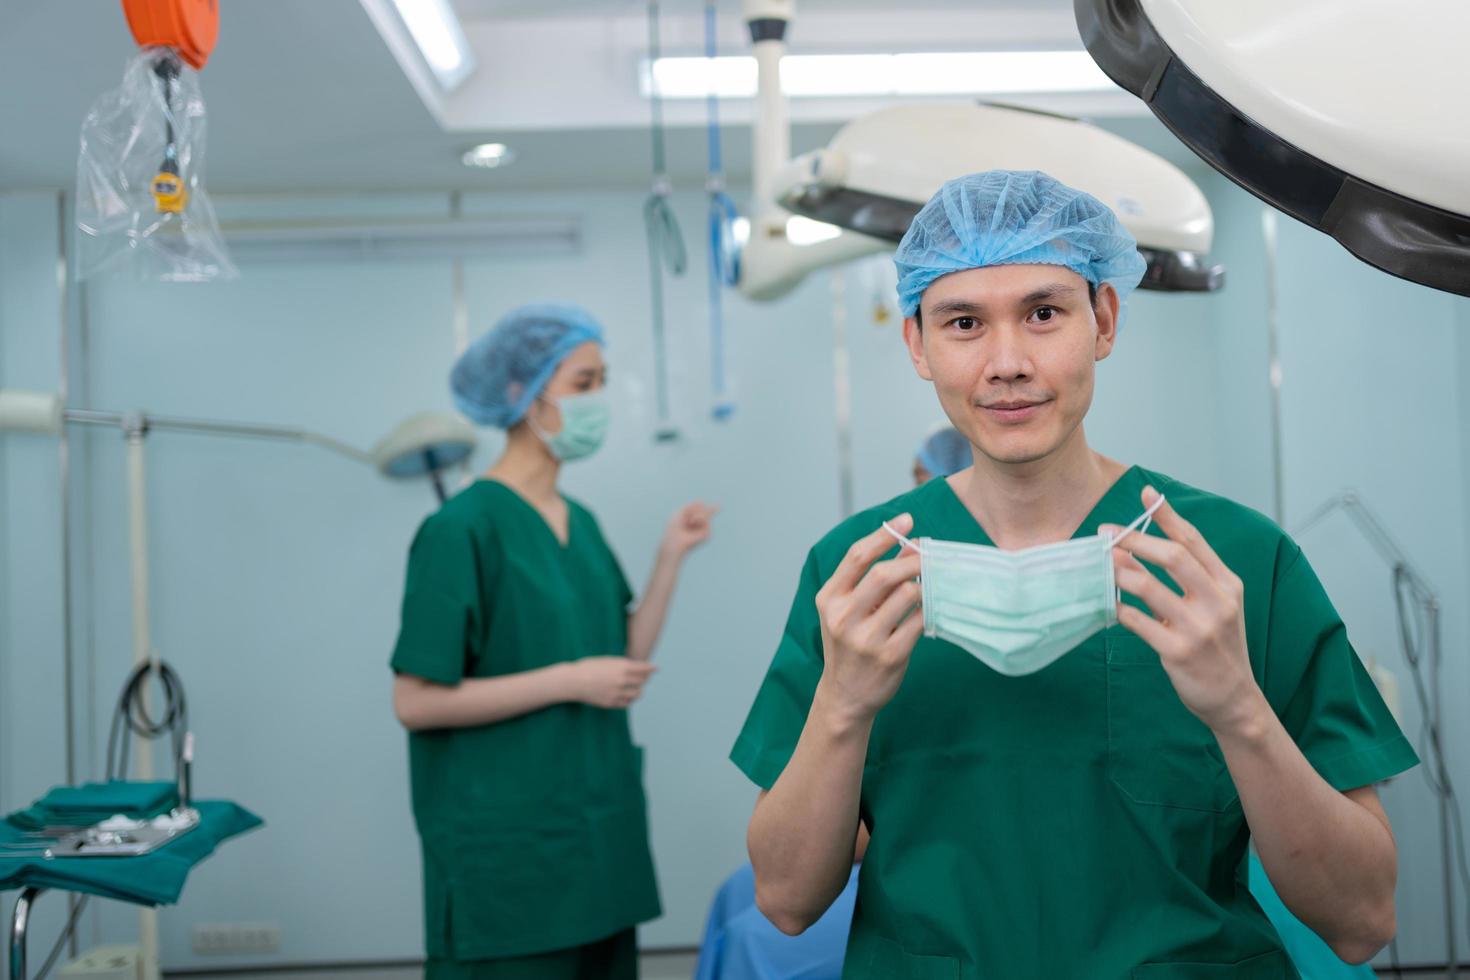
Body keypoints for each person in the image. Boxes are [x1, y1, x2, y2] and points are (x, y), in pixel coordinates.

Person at [731, 171, 1415, 978]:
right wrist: (842, 707)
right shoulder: (860, 575)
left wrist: (1239, 710)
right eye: (963, 323)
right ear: (918, 344)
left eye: (1044, 313)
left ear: (1106, 319)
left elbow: (1362, 920)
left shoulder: (1235, 562)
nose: (1009, 362)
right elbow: (785, 898)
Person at [391, 303, 716, 979]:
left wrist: (670, 559)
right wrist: (569, 681)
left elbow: (620, 660)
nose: (600, 400)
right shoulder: (462, 529)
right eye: (584, 382)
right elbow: (416, 701)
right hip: (508, 864)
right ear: (522, 394)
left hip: (598, 848)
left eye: (601, 380)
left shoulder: (581, 522)